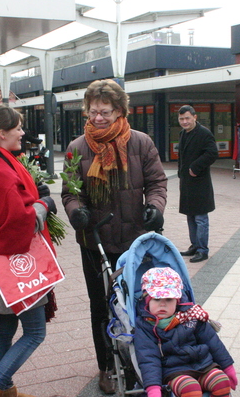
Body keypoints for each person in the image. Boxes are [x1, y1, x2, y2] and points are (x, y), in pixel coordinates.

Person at [61, 79, 167, 394]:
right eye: (93, 111)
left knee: (139, 300)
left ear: (119, 110)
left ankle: (143, 359)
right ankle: (106, 365)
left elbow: (157, 183)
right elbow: (70, 191)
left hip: (135, 239)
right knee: (100, 304)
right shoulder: (76, 148)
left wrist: (156, 208)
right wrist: (76, 212)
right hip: (95, 241)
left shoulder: (141, 143)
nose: (98, 118)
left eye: (105, 112)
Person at [0, 104, 58, 397]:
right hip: (17, 263)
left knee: (5, 332)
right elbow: (18, 222)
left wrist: (33, 194)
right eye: (17, 128)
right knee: (34, 333)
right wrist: (43, 205)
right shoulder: (0, 171)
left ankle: (5, 392)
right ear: (2, 133)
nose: (22, 132)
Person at [134, 267, 238, 397]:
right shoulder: (145, 326)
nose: (162, 304)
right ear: (147, 301)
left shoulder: (190, 315)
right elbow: (148, 358)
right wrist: (153, 388)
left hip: (204, 365)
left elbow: (212, 341)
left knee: (221, 381)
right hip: (174, 371)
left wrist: (228, 367)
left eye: (169, 299)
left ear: (177, 301)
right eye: (156, 299)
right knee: (190, 389)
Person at [177, 105, 218, 263]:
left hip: (200, 181)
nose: (184, 122)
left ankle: (202, 250)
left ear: (195, 117)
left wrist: (195, 167)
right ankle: (194, 245)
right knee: (190, 215)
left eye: (187, 118)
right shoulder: (183, 134)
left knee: (200, 217)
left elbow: (212, 153)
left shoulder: (204, 133)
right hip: (187, 182)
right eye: (181, 119)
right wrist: (181, 173)